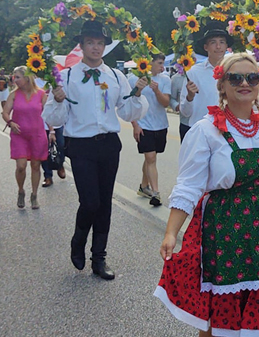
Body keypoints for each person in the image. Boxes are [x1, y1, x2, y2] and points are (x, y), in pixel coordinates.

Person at [154, 53, 259, 337]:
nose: (245, 83)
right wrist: (172, 233)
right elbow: (188, 186)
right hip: (224, 229)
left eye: (252, 77)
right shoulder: (206, 130)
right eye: (236, 78)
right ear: (222, 85)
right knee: (219, 318)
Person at [42, 20, 148, 280]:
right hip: (81, 146)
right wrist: (56, 100)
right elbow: (54, 118)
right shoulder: (66, 77)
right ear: (82, 45)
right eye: (90, 42)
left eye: (100, 43)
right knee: (90, 201)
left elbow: (125, 111)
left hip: (109, 144)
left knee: (104, 204)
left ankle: (99, 258)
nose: (96, 47)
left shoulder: (115, 75)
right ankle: (78, 239)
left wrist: (136, 95)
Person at [2, 66, 48, 209]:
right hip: (19, 135)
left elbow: (48, 115)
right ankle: (21, 190)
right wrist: (10, 122)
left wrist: (52, 132)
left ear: (27, 77)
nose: (14, 80)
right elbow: (5, 112)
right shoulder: (14, 94)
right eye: (14, 77)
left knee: (35, 165)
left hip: (37, 135)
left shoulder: (41, 94)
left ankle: (34, 195)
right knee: (21, 166)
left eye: (17, 77)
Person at [129, 53, 171, 207]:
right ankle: (156, 193)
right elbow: (129, 104)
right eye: (159, 63)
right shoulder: (134, 79)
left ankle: (143, 186)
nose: (162, 66)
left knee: (150, 158)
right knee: (151, 158)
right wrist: (135, 125)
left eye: (163, 63)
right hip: (143, 125)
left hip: (160, 125)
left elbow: (165, 103)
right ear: (149, 63)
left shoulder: (165, 79)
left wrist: (157, 91)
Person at [179, 21, 234, 133]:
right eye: (213, 42)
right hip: (201, 131)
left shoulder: (234, 71)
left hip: (229, 130)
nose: (218, 47)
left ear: (227, 46)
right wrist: (190, 97)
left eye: (222, 42)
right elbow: (185, 112)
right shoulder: (194, 72)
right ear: (206, 47)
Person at [169, 71, 190, 142]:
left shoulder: (201, 74)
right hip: (186, 122)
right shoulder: (176, 78)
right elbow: (171, 98)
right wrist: (177, 106)